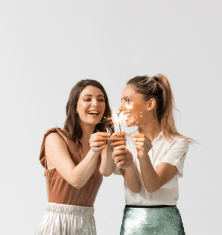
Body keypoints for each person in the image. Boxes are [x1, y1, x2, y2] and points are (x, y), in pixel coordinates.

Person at [35, 79, 125, 235]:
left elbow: (106, 170)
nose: (95, 103)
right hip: (58, 223)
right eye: (87, 99)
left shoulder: (102, 142)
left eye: (101, 99)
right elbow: (76, 180)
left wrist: (110, 148)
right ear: (75, 107)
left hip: (86, 223)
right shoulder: (55, 138)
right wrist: (94, 150)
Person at [111, 74, 196, 235]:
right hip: (133, 222)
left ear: (150, 104)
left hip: (166, 223)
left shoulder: (177, 143)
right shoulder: (124, 141)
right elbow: (135, 188)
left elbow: (152, 185)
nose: (121, 108)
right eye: (121, 101)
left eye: (127, 100)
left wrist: (143, 156)